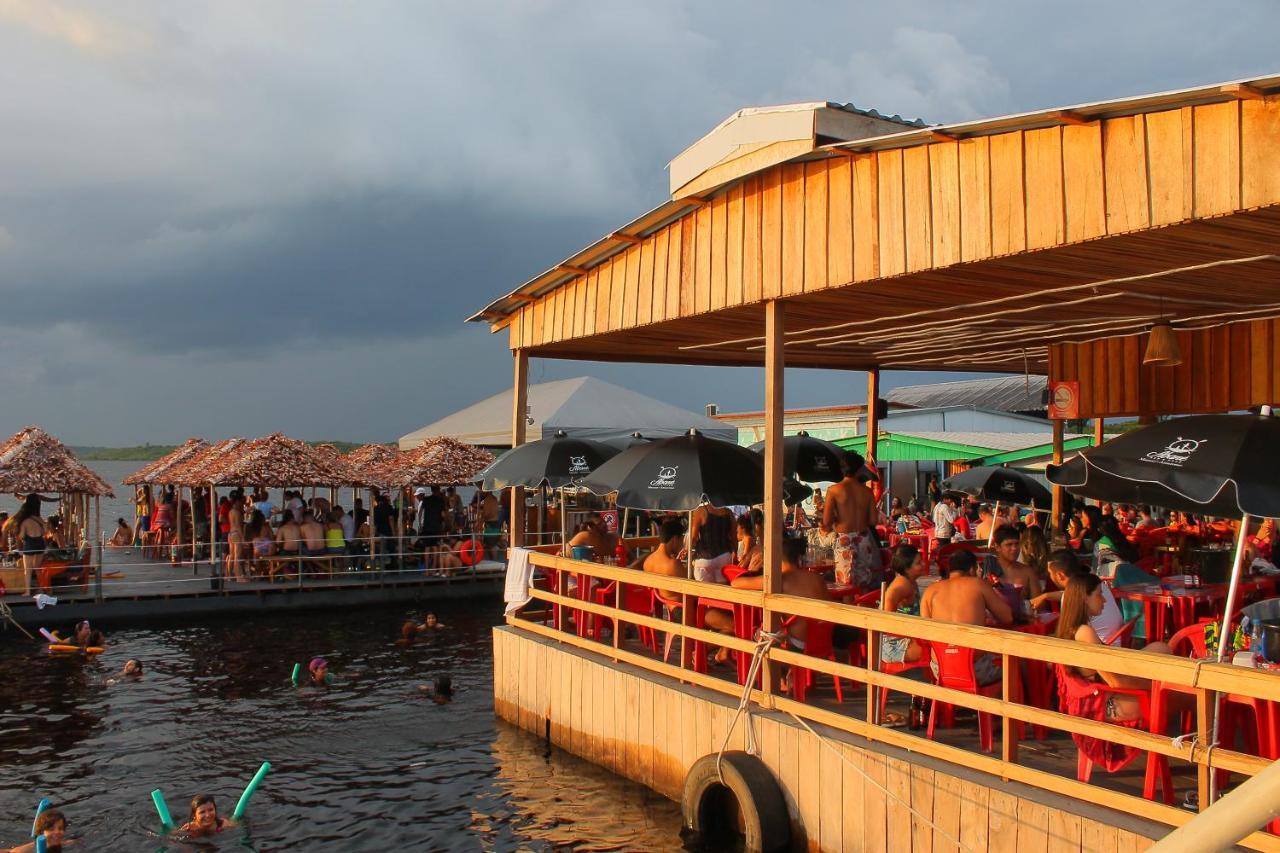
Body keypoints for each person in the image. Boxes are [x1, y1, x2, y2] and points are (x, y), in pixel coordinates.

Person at [1055, 574, 1172, 721]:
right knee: (1177, 697)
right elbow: (1115, 681)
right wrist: (1157, 686)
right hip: (1105, 702)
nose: (1104, 600)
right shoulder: (1085, 633)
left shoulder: (1072, 629)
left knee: (1161, 648)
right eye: (1099, 595)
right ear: (1085, 598)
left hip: (1099, 695)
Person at [920, 550, 1013, 686]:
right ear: (972, 569)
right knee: (1016, 662)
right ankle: (1016, 705)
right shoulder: (978, 584)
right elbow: (1007, 618)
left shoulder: (930, 591)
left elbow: (925, 634)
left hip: (941, 670)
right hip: (975, 670)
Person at [731, 536, 831, 652]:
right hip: (822, 639)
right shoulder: (817, 578)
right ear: (798, 557)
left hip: (798, 643)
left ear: (777, 559)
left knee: (757, 633)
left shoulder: (780, 580)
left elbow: (735, 583)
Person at [820, 451, 879, 589]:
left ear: (842, 469)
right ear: (859, 469)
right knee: (863, 586)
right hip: (864, 539)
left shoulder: (834, 490)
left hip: (844, 540)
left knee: (845, 587)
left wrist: (834, 521)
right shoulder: (867, 492)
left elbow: (826, 523)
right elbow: (873, 521)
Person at [879, 544, 926, 666]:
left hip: (906, 638)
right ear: (906, 568)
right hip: (893, 646)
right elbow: (886, 622)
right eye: (918, 563)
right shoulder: (901, 586)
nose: (923, 565)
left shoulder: (910, 581)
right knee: (939, 650)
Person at [984, 526, 1042, 599]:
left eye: (1017, 544)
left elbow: (1039, 603)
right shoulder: (988, 570)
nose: (1014, 548)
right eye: (1009, 545)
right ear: (997, 547)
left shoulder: (1028, 572)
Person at [688, 500, 735, 583]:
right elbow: (734, 536)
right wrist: (735, 552)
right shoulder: (728, 512)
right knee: (721, 591)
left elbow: (693, 537)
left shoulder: (701, 511)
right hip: (724, 556)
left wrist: (686, 549)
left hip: (704, 557)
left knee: (704, 591)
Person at [14, 495, 46, 595]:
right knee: (37, 567)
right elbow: (44, 531)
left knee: (28, 569)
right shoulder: (40, 519)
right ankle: (41, 588)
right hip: (40, 543)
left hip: (30, 544)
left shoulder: (25, 521)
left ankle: (27, 591)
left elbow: (22, 535)